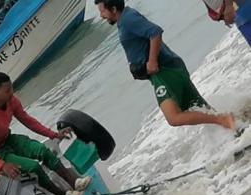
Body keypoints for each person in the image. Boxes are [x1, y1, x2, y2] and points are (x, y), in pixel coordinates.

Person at [95, 0, 235, 129]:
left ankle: (224, 120)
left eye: (102, 11)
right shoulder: (125, 18)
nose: (101, 16)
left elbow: (155, 32)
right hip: (170, 68)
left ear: (113, 9)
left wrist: (152, 61)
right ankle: (235, 126)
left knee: (173, 118)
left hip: (164, 72)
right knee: (199, 108)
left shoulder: (127, 19)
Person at [0, 72, 91, 195]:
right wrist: (2, 165)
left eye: (11, 87)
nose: (12, 92)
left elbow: (28, 120)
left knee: (43, 151)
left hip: (8, 139)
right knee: (33, 167)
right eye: (7, 90)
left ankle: (74, 182)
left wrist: (54, 134)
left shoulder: (11, 100)